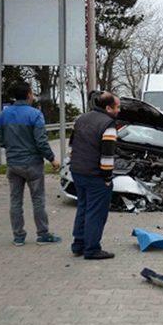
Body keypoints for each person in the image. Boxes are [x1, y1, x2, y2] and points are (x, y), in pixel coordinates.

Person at [0, 82, 61, 246]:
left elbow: (2, 141)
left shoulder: (3, 115)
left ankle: (18, 236)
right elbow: (41, 142)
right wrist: (52, 158)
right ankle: (43, 234)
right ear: (28, 95)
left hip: (13, 164)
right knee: (38, 200)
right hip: (33, 164)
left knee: (15, 201)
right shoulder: (35, 114)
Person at [69, 92, 120, 260]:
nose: (119, 110)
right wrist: (107, 178)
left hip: (78, 171)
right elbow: (107, 156)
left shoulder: (81, 119)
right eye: (117, 107)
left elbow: (72, 145)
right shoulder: (108, 124)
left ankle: (79, 244)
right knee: (96, 213)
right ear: (108, 107)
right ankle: (92, 249)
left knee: (83, 207)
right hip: (95, 175)